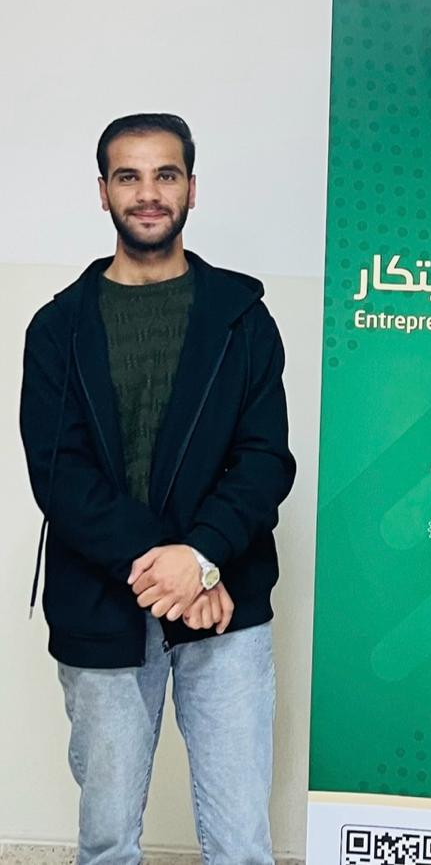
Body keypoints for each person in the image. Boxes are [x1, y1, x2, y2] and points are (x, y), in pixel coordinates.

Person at [19, 113, 296, 864]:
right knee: (108, 841)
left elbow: (265, 460)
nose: (148, 193)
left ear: (192, 188)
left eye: (165, 175)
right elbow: (59, 473)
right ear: (103, 191)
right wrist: (171, 568)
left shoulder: (242, 319)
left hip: (225, 603)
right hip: (102, 604)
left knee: (241, 843)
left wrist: (202, 558)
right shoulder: (58, 328)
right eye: (129, 176)